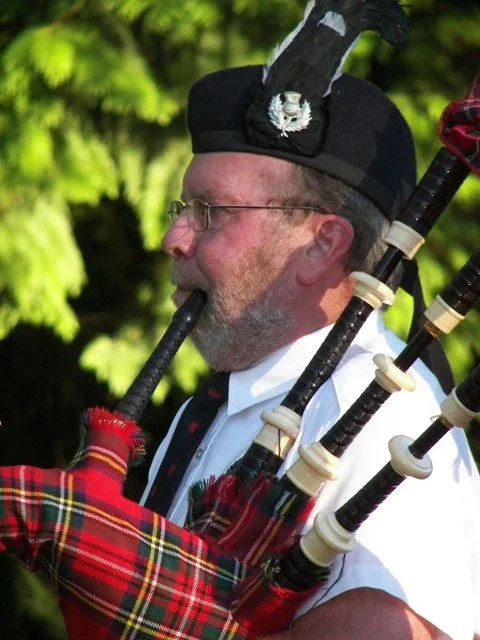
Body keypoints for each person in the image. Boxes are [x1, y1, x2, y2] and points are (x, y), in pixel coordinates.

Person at [141, 4, 480, 639]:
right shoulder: (214, 407)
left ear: (324, 244)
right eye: (183, 206)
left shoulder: (386, 415)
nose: (173, 237)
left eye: (210, 211)